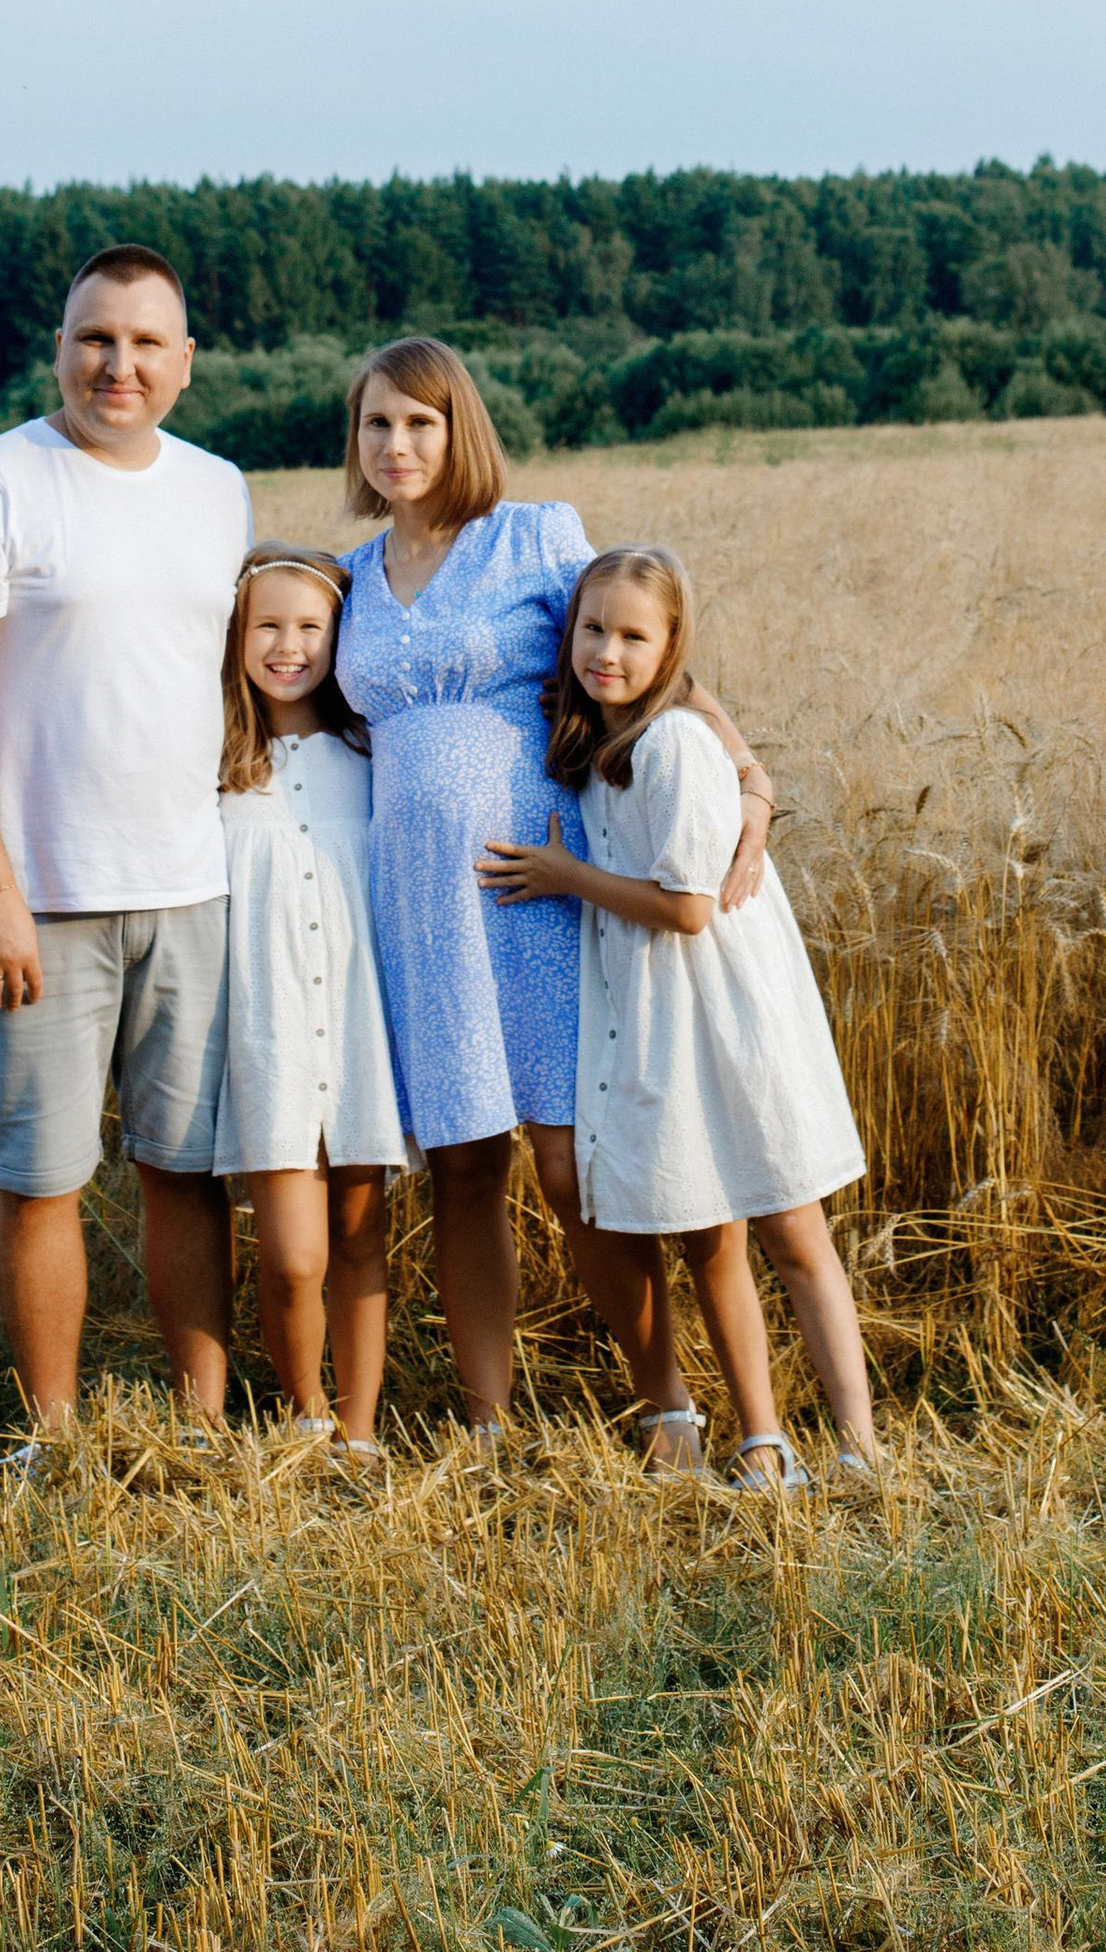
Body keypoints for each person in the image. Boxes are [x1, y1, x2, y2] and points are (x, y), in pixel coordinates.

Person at [332, 333, 777, 1454]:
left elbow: (657, 659)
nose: (397, 444)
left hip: (541, 896)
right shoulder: (353, 581)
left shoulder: (536, 535)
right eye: (378, 423)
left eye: (421, 422)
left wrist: (750, 778)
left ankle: (666, 1400)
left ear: (459, 428)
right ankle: (487, 1421)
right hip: (419, 909)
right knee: (463, 1161)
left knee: (572, 1156)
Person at [0, 246, 249, 1453]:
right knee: (40, 1179)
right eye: (97, 338)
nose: (120, 364)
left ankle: (198, 1431)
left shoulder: (218, 490)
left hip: (191, 890)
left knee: (188, 1172)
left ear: (185, 363)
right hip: (37, 903)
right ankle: (53, 1438)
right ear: (60, 346)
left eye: (147, 342)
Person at [481, 544, 878, 1489]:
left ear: (671, 649)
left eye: (632, 636)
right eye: (591, 631)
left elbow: (690, 907)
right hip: (658, 1014)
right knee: (709, 1235)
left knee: (791, 1225)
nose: (606, 652)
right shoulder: (600, 741)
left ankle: (861, 1446)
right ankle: (763, 1437)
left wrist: (564, 877)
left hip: (725, 1014)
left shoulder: (672, 746)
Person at [211, 541, 409, 1459]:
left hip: (361, 1033)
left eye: (309, 627)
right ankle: (305, 1413)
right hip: (271, 1034)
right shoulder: (213, 768)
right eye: (267, 627)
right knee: (294, 1258)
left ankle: (359, 1433)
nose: (288, 646)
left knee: (362, 1241)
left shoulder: (369, 756)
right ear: (236, 637)